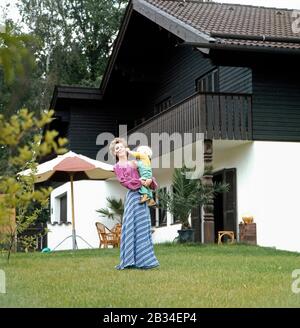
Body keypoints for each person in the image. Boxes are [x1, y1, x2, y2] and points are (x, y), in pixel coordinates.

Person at [109, 137, 160, 270]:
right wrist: (140, 182)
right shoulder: (117, 167)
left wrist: (149, 181)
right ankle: (129, 260)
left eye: (120, 147)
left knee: (142, 228)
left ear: (125, 148)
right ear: (114, 153)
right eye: (116, 148)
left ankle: (145, 261)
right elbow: (124, 181)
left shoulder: (135, 162)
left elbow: (146, 172)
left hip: (143, 195)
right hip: (133, 198)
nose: (119, 149)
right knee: (131, 227)